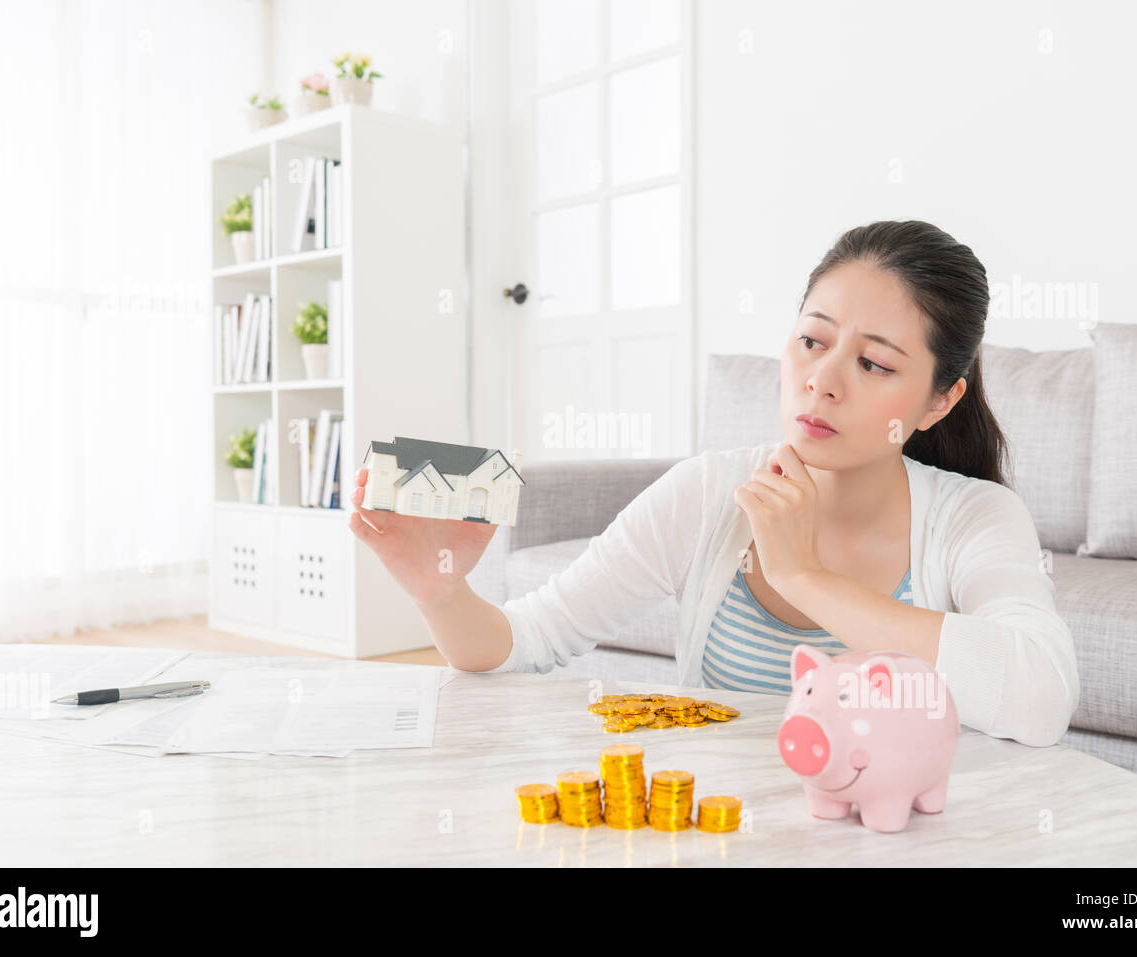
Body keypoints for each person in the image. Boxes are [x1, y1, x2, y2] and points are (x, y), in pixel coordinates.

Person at [347, 220, 1080, 748]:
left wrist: (804, 574)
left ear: (938, 400)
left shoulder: (975, 517)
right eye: (813, 340)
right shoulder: (709, 492)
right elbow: (528, 639)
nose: (821, 381)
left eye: (875, 364)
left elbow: (1042, 695)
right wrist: (440, 589)